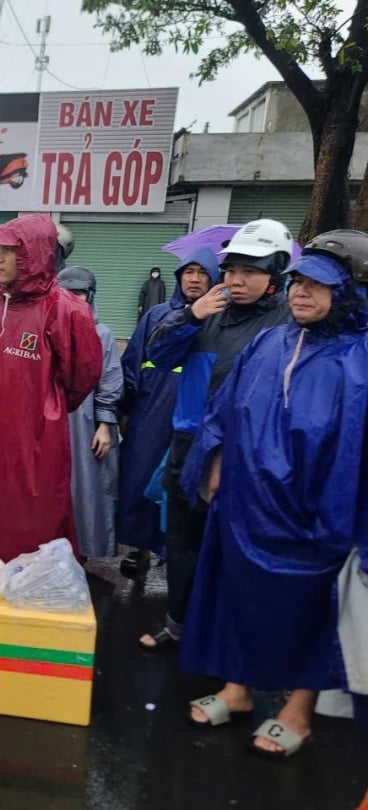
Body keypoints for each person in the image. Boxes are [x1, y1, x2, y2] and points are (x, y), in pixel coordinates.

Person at [177, 235, 368, 761]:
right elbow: (224, 407)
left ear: (350, 291)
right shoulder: (271, 342)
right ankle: (237, 689)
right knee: (235, 593)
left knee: (311, 610)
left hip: (317, 514)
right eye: (298, 282)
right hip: (244, 501)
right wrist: (212, 463)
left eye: (318, 285)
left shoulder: (361, 359)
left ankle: (297, 710)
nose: (302, 294)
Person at [138, 219, 292, 651]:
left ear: (275, 275)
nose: (236, 280)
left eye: (251, 271)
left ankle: (223, 636)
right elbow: (158, 355)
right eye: (232, 269)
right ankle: (179, 622)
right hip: (188, 449)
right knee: (181, 543)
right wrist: (191, 315)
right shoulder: (208, 311)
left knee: (231, 550)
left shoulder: (285, 326)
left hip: (244, 458)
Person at [0, 214, 102, 569]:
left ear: (35, 254)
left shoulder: (67, 310)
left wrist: (44, 411)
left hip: (36, 441)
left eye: (10, 250)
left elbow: (83, 375)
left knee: (34, 517)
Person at [117, 249, 218, 576]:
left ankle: (171, 551)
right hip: (151, 410)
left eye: (202, 273)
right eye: (188, 272)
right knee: (140, 478)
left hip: (192, 415)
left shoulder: (221, 319)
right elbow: (133, 361)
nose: (194, 279)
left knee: (182, 484)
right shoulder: (158, 315)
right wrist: (126, 407)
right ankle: (140, 547)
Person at [57, 266, 123, 559]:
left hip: (85, 424)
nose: (74, 299)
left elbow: (110, 378)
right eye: (67, 293)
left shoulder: (102, 334)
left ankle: (79, 552)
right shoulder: (48, 330)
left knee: (85, 490)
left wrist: (105, 424)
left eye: (80, 293)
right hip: (49, 424)